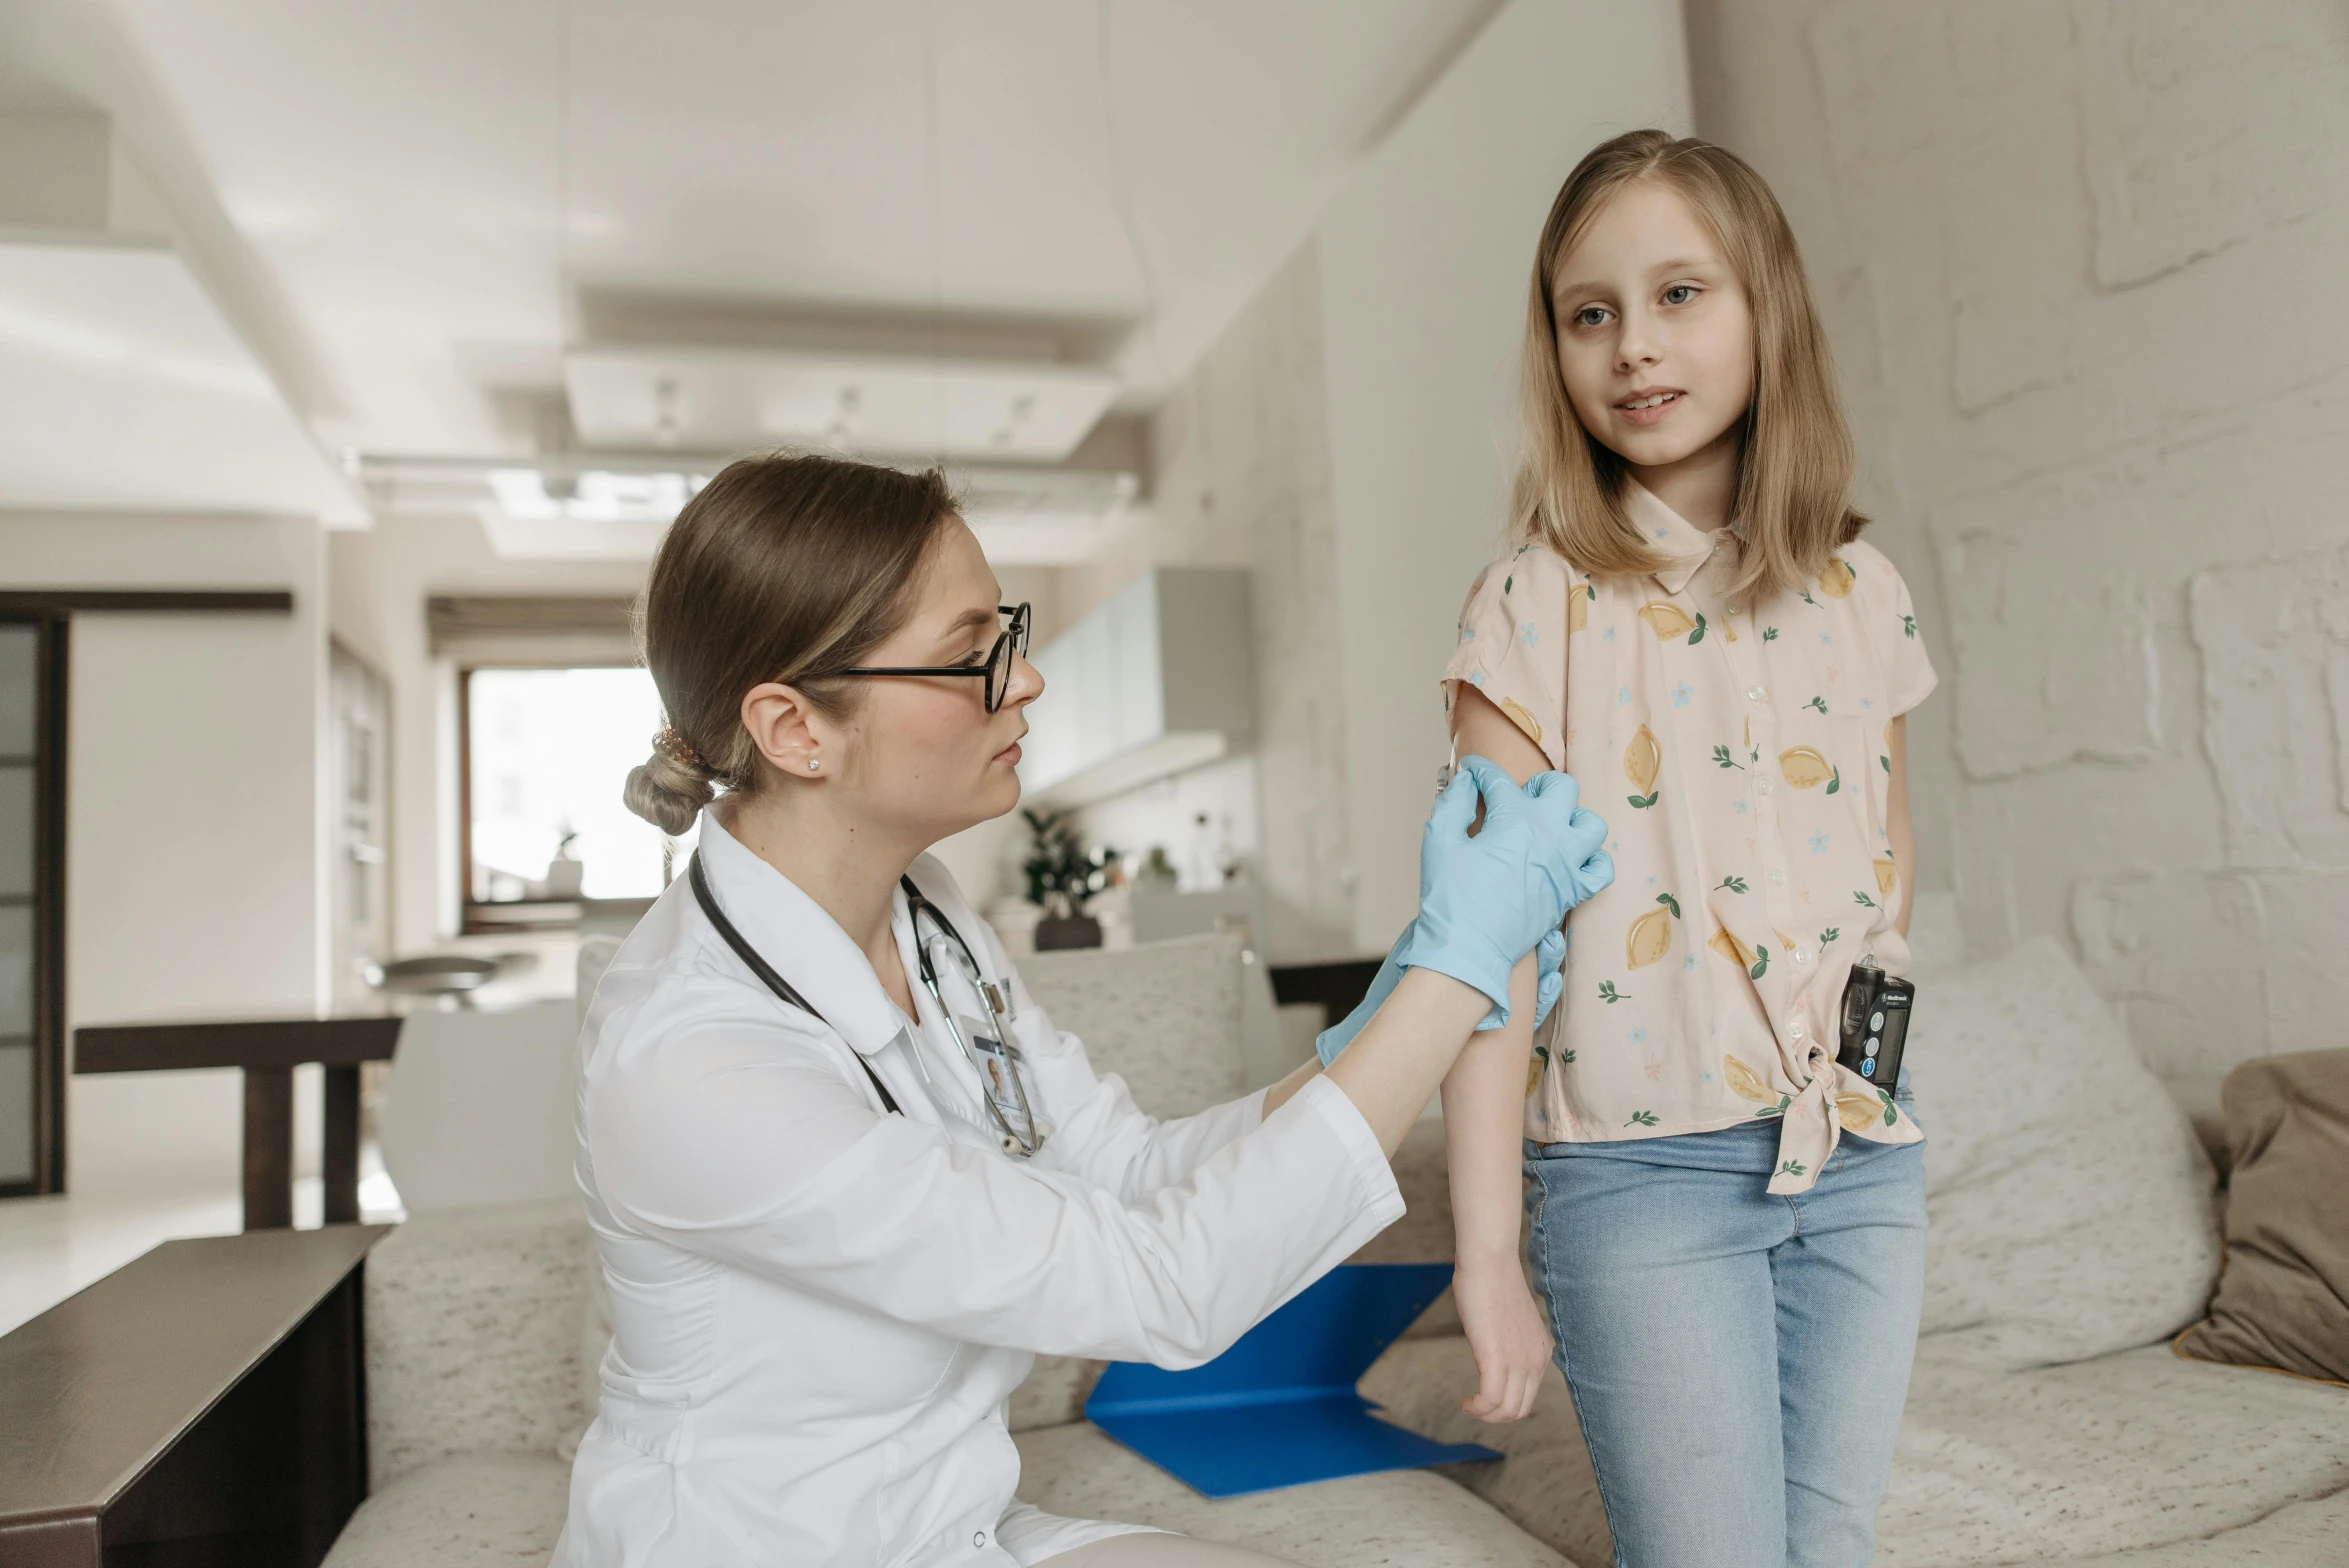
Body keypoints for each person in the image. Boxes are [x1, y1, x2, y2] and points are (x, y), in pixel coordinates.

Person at [552, 453, 1615, 1567]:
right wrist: (1456, 975)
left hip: (939, 1525)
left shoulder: (925, 915)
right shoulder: (685, 1057)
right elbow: (1164, 1283)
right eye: (972, 656)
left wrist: (1399, 999)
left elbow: (1128, 1172)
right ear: (794, 727)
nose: (1026, 681)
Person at [1320, 131, 1938, 1566]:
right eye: (1588, 312)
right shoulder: (1529, 612)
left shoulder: (1864, 590)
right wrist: (1484, 1256)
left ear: (1763, 310)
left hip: (1857, 1163)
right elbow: (1480, 959)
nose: (1631, 347)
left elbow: (1886, 866)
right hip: (1638, 1188)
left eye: (1678, 295)